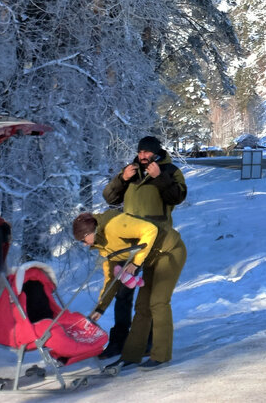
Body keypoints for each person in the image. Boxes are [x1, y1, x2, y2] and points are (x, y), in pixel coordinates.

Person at [99, 135, 186, 359]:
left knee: (149, 297)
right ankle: (118, 341)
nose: (143, 156)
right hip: (129, 242)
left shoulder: (171, 171)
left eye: (147, 153)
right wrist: (121, 178)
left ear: (156, 152)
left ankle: (147, 341)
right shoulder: (131, 171)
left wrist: (159, 178)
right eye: (140, 152)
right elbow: (110, 198)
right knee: (122, 293)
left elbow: (177, 197)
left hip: (155, 242)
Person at [72, 209, 186, 370]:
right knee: (142, 306)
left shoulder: (115, 225)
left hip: (170, 250)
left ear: (90, 232)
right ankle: (131, 356)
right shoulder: (103, 246)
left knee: (158, 302)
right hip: (152, 260)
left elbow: (150, 230)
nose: (84, 244)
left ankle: (161, 355)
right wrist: (101, 307)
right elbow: (111, 279)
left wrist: (136, 263)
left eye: (83, 239)